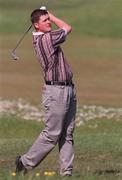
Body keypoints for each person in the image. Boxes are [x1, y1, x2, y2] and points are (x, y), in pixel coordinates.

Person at [15, 7, 77, 177]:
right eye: (45, 20)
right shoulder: (46, 39)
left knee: (67, 133)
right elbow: (67, 27)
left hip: (68, 88)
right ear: (36, 25)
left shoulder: (45, 36)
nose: (48, 22)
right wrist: (52, 14)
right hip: (56, 91)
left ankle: (66, 173)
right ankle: (24, 162)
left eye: (48, 19)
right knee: (52, 133)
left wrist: (46, 16)